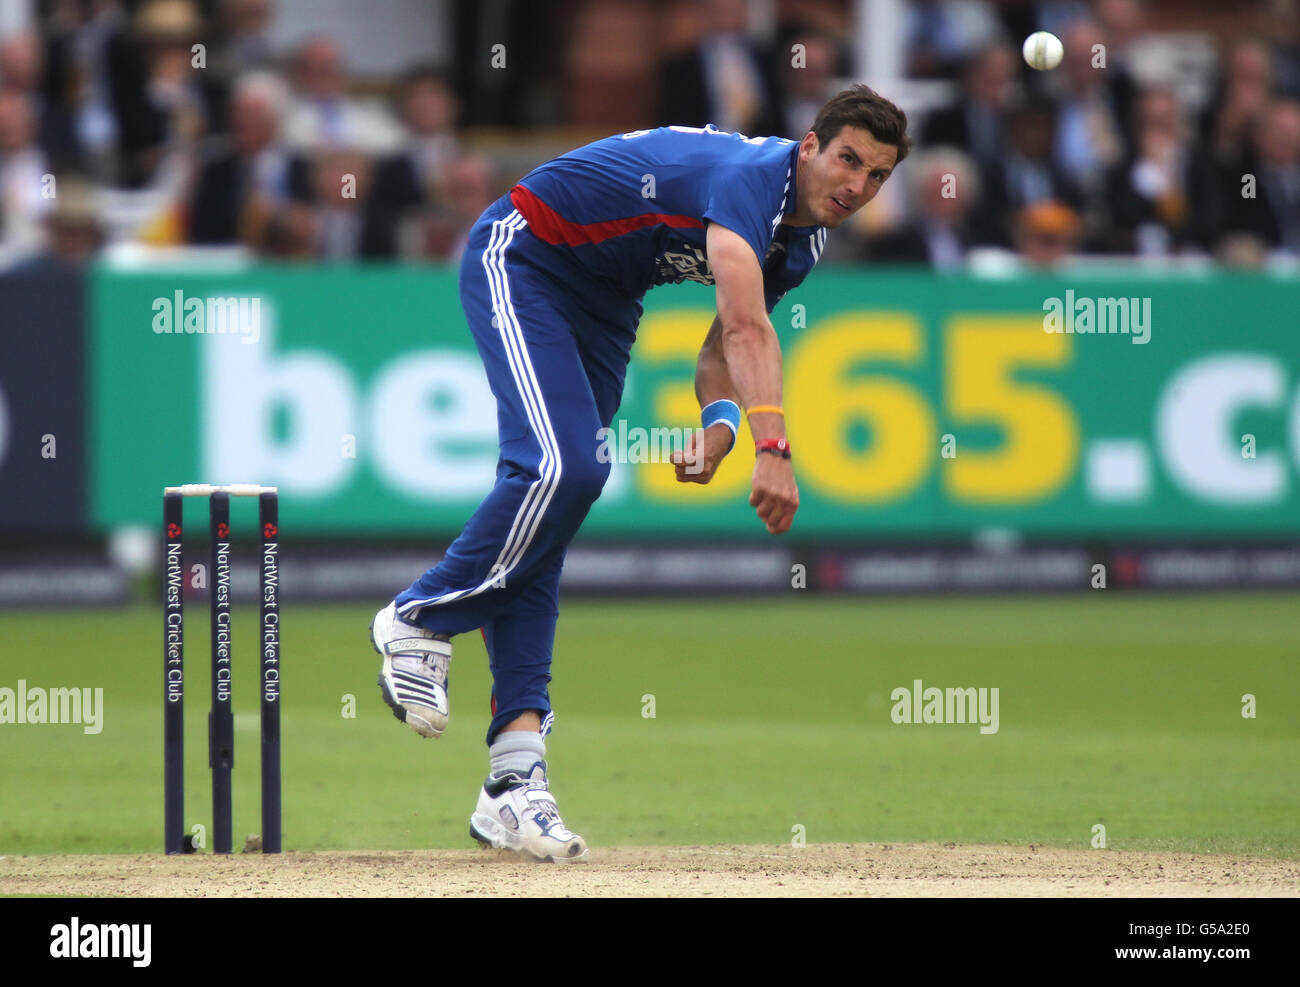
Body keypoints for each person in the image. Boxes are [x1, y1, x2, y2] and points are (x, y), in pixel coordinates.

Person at [368, 84, 910, 862]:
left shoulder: (802, 241)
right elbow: (753, 330)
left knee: (550, 515)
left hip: (605, 300)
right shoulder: (753, 183)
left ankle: (513, 785)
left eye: (879, 176)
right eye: (849, 160)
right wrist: (773, 448)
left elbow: (721, 347)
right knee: (561, 470)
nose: (857, 187)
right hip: (524, 255)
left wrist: (722, 425)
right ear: (811, 144)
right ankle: (420, 616)